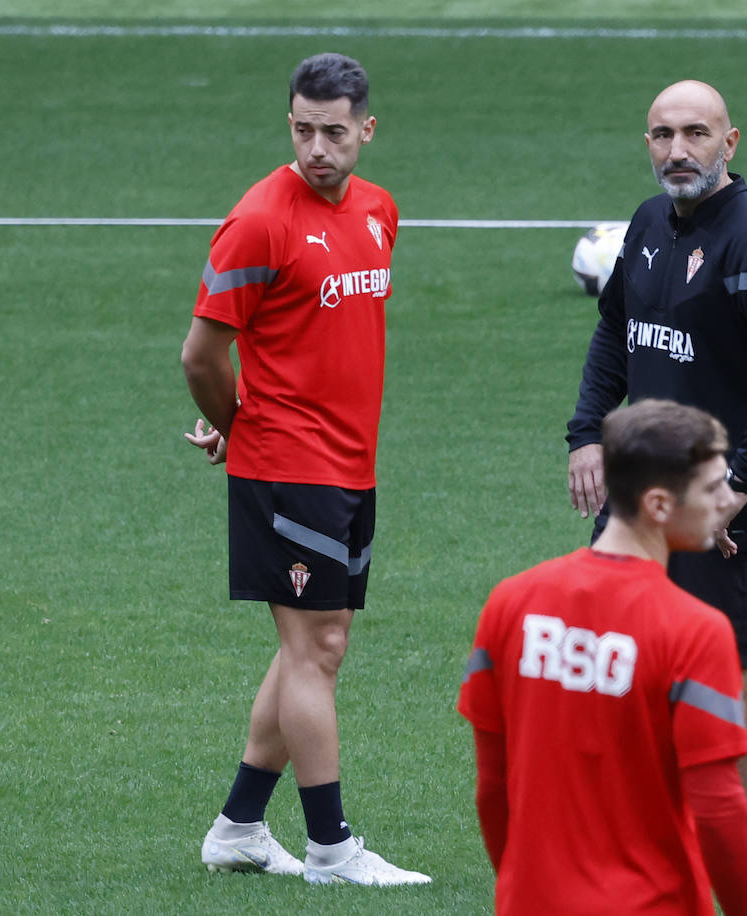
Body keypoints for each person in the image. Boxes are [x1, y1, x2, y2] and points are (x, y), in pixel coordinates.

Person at [565, 80, 747, 916]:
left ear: (730, 142)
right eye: (663, 134)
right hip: (636, 510)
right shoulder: (644, 226)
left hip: (722, 516)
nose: (678, 150)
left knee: (741, 698)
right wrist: (586, 434)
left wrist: (741, 482)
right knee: (622, 683)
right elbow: (615, 331)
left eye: (696, 134)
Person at [181, 52, 429, 887]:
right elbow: (201, 355)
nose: (317, 147)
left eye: (333, 131)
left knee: (315, 648)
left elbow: (319, 343)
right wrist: (237, 426)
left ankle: (240, 827)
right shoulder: (259, 221)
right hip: (288, 466)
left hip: (350, 462)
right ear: (289, 124)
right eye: (302, 130)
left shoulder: (379, 212)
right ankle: (331, 846)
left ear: (366, 129)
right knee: (315, 647)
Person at [460, 399, 747, 916]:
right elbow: (718, 808)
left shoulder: (510, 603)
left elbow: (493, 787)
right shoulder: (695, 631)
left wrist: (523, 888)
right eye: (712, 488)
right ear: (659, 505)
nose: (725, 500)